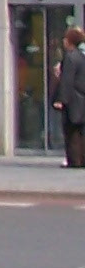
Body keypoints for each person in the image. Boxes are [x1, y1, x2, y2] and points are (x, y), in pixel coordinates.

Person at [57, 27, 85, 169]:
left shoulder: (70, 56)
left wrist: (61, 99)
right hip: (82, 98)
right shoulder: (81, 56)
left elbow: (67, 80)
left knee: (71, 131)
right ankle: (81, 159)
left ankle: (74, 160)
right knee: (81, 131)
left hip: (73, 99)